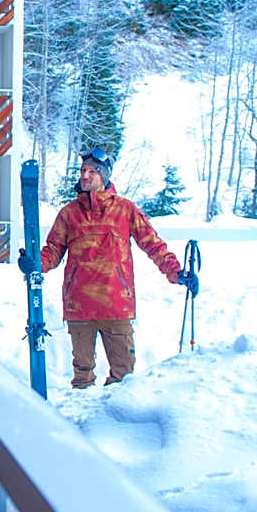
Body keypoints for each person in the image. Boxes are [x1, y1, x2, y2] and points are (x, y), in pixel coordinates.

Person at [28, 147, 196, 389]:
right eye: (83, 170)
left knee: (124, 376)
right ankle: (77, 425)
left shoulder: (125, 210)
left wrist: (177, 272)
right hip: (79, 306)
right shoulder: (69, 214)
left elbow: (153, 245)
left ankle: (115, 423)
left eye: (92, 171)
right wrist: (34, 263)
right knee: (82, 377)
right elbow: (52, 251)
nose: (84, 176)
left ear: (104, 176)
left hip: (116, 304)